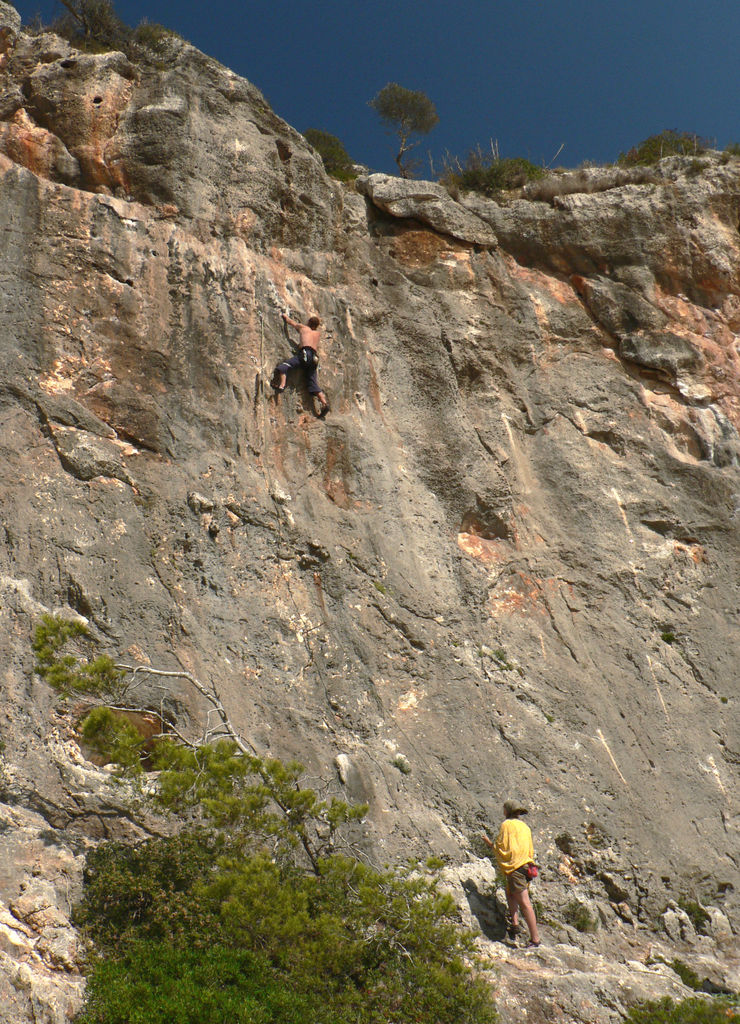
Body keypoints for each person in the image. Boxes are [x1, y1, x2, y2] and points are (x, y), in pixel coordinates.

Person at [482, 800, 541, 948]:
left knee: (525, 903)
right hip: (526, 866)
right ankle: (515, 924)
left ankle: (535, 939)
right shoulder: (525, 827)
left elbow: (501, 846)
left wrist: (489, 844)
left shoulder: (506, 825)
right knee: (510, 892)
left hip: (515, 867)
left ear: (507, 811)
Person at [271, 312, 330, 417]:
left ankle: (282, 385)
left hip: (305, 354)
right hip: (314, 358)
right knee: (313, 383)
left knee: (284, 366)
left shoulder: (303, 328)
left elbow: (290, 322)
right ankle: (325, 404)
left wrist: (284, 315)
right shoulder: (317, 334)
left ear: (308, 322)